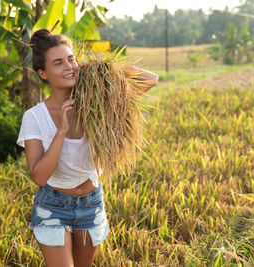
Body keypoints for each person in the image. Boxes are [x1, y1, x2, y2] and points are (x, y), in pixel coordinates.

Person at [16, 28, 158, 267]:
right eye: (58, 63)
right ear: (43, 73)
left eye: (71, 59)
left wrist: (103, 69)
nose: (68, 66)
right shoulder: (35, 117)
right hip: (53, 207)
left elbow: (151, 79)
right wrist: (61, 131)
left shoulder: (99, 102)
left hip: (91, 204)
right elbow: (39, 176)